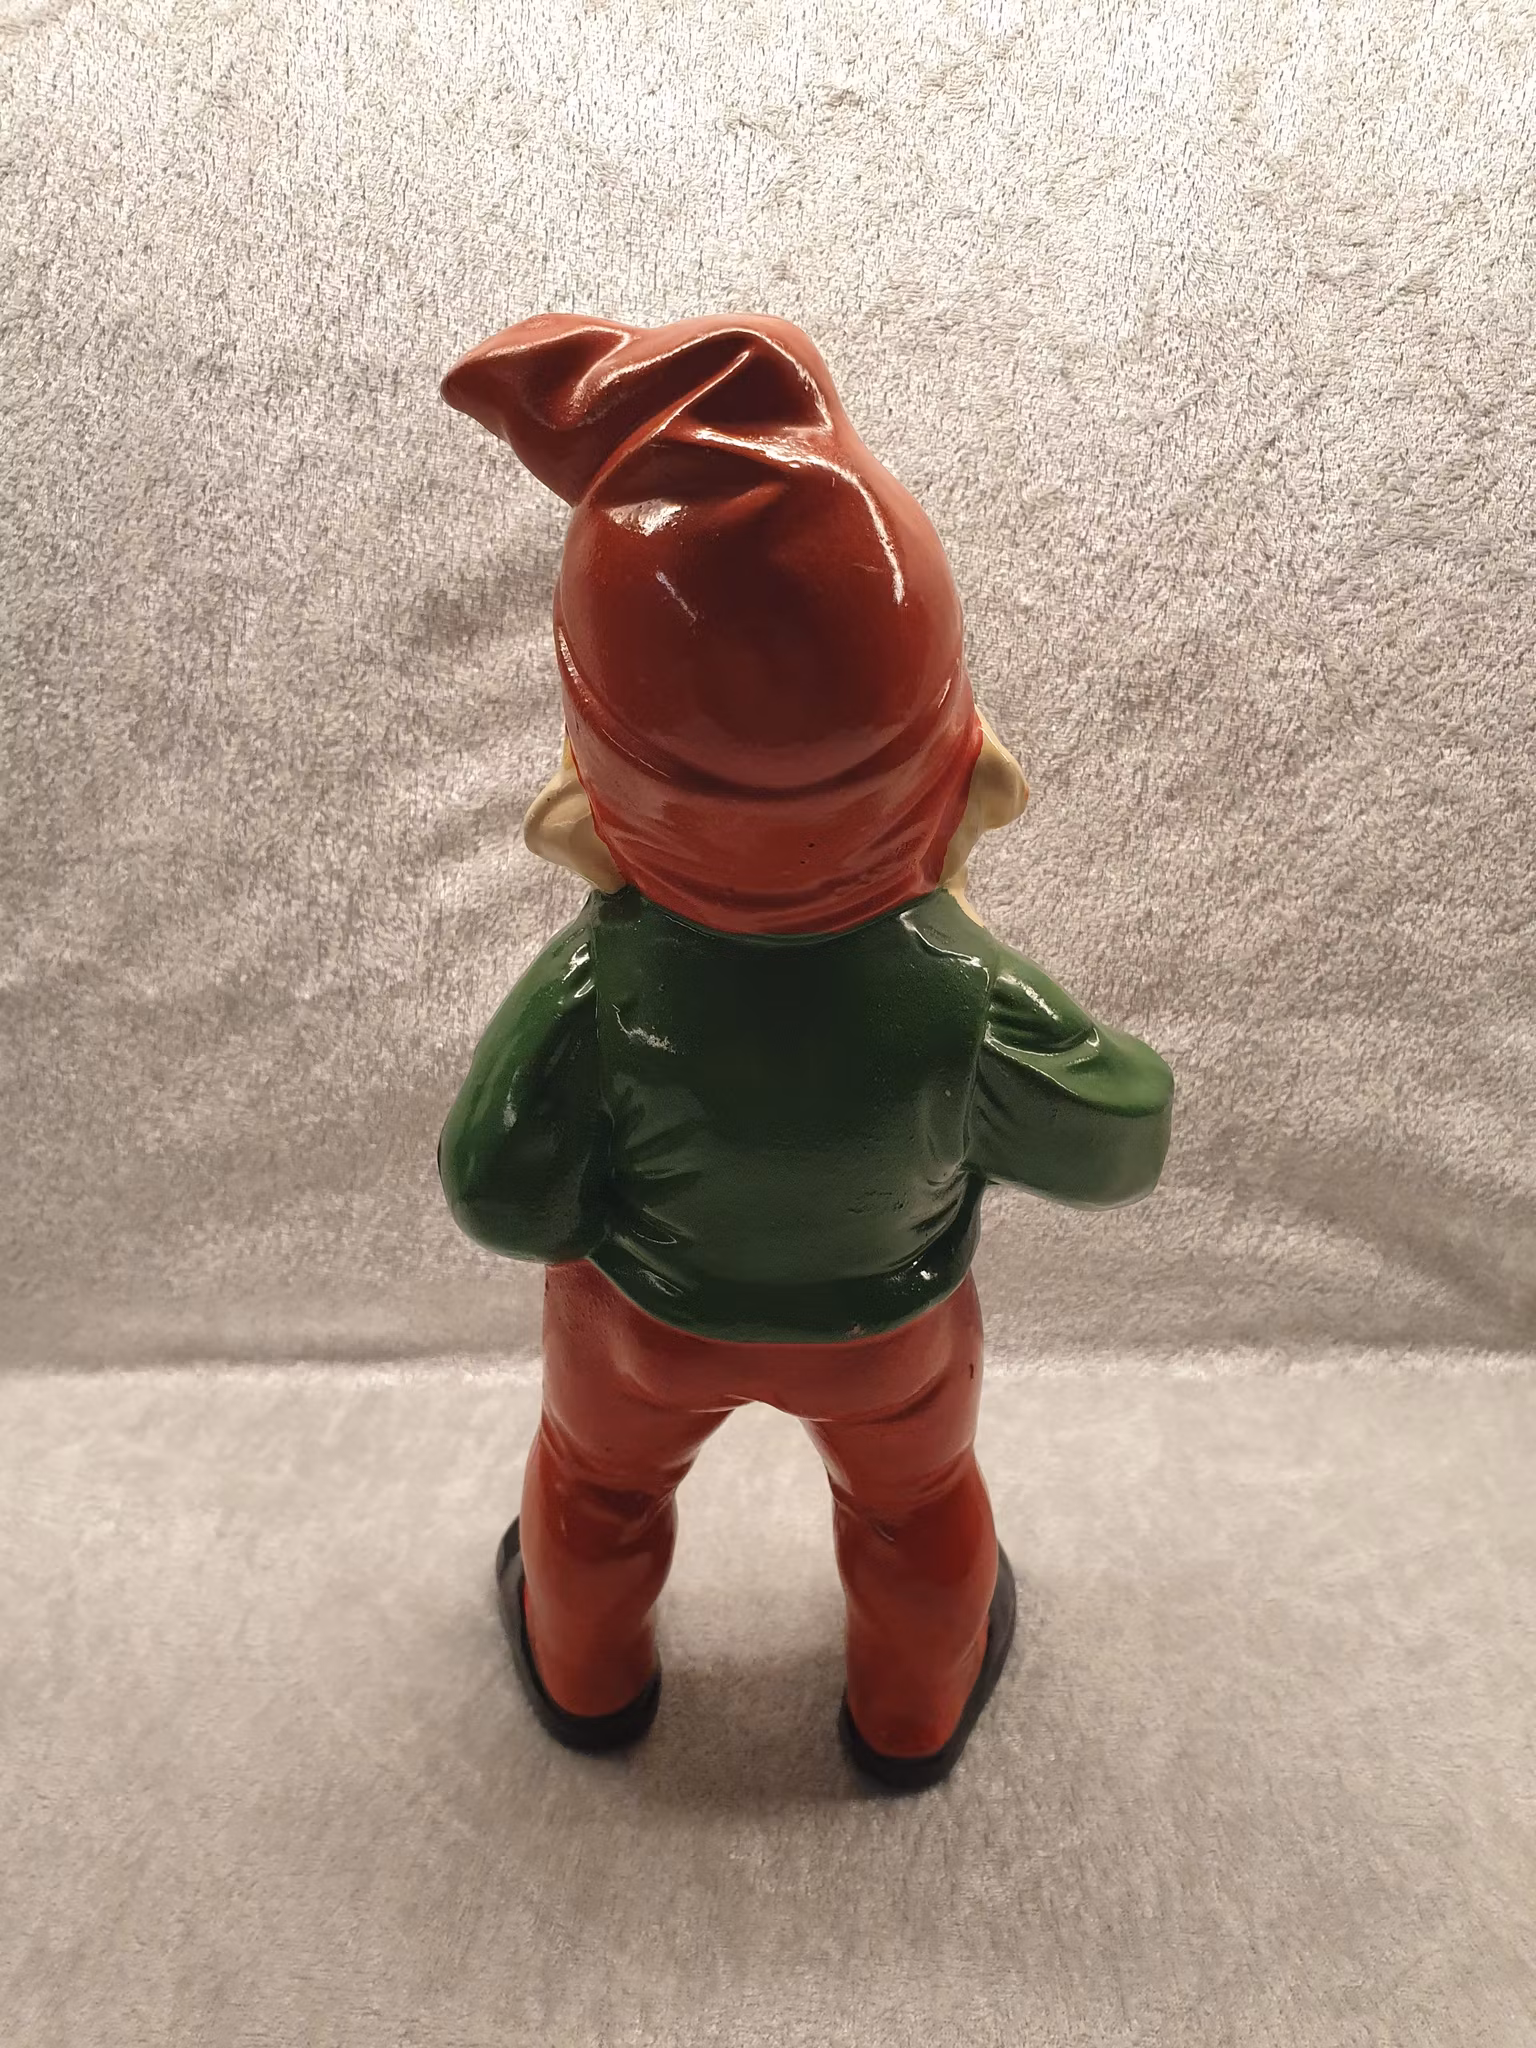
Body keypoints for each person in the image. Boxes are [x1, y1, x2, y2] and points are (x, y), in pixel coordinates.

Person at [437, 313, 1174, 1791]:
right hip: (885, 1335)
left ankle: (588, 1679)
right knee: (916, 1508)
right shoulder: (964, 992)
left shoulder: (599, 983)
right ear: (956, 762)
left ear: (593, 779)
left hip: (641, 1329)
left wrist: (616, 1219)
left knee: (594, 1489)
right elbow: (1120, 1137)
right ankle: (910, 1717)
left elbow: (495, 1188)